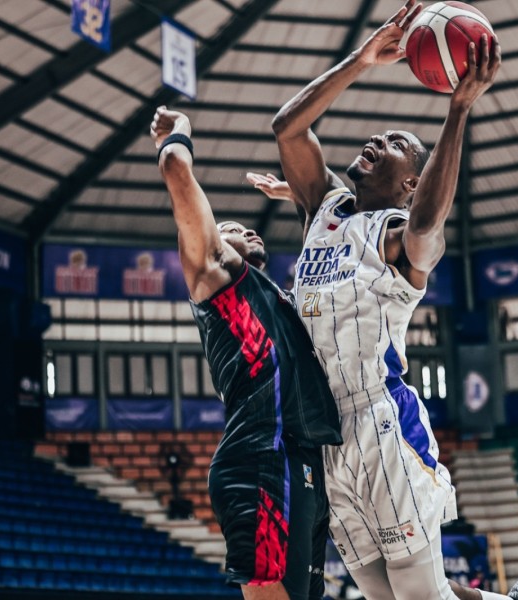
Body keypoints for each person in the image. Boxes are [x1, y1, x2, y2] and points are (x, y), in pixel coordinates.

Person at [269, 2, 518, 600]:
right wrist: (362, 60)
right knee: (387, 596)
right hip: (324, 436)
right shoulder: (324, 211)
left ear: (411, 182)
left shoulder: (399, 234)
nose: (379, 137)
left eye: (397, 142)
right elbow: (287, 129)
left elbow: (427, 226)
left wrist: (458, 110)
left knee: (417, 599)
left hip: (381, 423)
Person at [151, 106, 344, 600]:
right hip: (260, 454)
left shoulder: (278, 297)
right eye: (232, 227)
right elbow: (176, 169)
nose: (248, 230)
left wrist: (308, 200)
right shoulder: (214, 275)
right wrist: (179, 133)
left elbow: (346, 226)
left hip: (302, 458)